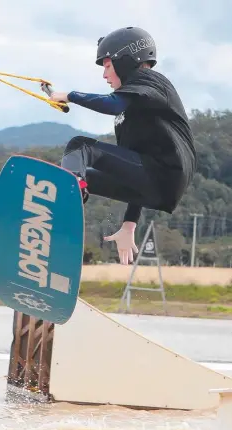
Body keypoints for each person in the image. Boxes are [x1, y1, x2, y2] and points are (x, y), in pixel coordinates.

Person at [45, 26, 196, 265]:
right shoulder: (132, 111)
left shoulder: (149, 80)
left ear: (124, 60)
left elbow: (112, 104)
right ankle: (62, 226)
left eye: (106, 66)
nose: (104, 75)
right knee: (87, 177)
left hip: (165, 172)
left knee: (80, 147)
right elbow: (133, 170)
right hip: (160, 188)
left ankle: (67, 195)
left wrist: (70, 95)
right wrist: (129, 224)